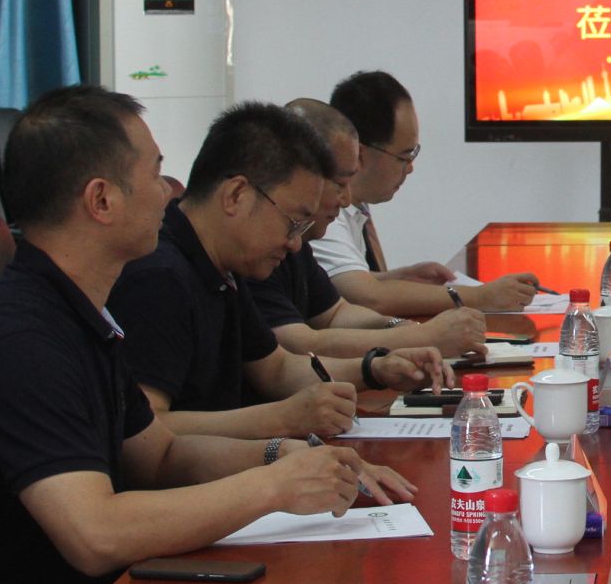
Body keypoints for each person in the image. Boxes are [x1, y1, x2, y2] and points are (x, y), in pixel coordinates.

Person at [0, 86, 415, 584]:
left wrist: (286, 456)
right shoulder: (19, 340)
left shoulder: (80, 313)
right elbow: (96, 534)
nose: (168, 192)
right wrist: (272, 487)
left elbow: (158, 454)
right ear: (101, 200)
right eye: (155, 174)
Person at [111, 102, 450, 442]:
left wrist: (376, 369)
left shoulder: (224, 264)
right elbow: (145, 429)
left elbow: (277, 368)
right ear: (236, 195)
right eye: (293, 223)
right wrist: (281, 420)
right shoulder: (159, 278)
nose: (295, 244)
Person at [317, 70, 536, 343]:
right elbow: (369, 298)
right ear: (359, 153)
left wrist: (399, 277)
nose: (410, 168)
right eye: (404, 156)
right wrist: (483, 296)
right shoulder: (322, 211)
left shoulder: (355, 207)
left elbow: (341, 286)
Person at [246, 98, 451, 364]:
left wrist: (398, 327)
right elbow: (298, 347)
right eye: (340, 184)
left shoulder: (297, 240)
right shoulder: (253, 247)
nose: (346, 200)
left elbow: (336, 313)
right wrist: (423, 337)